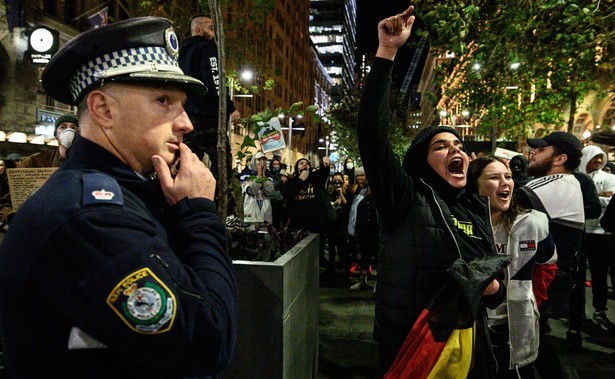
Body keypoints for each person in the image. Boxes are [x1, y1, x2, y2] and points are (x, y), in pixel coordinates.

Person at [0, 17, 237, 377]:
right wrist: (199, 213)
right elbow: (207, 340)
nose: (186, 123)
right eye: (163, 100)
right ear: (103, 110)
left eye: (182, 104)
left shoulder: (130, 193)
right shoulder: (87, 215)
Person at [358, 6, 508, 377]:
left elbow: (492, 284)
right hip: (412, 346)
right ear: (423, 162)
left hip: (466, 347)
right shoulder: (407, 199)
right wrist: (387, 52)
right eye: (441, 146)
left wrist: (493, 289)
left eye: (459, 146)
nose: (455, 150)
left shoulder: (476, 207)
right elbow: (372, 138)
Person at [470, 155, 557, 378]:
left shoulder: (533, 222)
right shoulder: (463, 225)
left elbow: (548, 264)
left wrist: (531, 299)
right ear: (475, 184)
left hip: (517, 328)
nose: (505, 182)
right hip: (472, 329)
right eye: (494, 177)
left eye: (507, 177)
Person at [515, 131, 584, 375]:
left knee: (531, 342)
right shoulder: (570, 182)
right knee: (537, 340)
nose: (532, 152)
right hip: (552, 279)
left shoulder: (552, 184)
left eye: (541, 149)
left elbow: (503, 199)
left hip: (540, 281)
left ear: (560, 158)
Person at [179, 15, 240, 180]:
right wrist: (230, 107)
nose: (215, 33)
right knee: (223, 167)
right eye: (211, 28)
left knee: (186, 167)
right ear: (198, 30)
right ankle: (217, 201)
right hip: (207, 119)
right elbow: (215, 82)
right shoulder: (206, 49)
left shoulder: (181, 53)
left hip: (187, 118)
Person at [579, 145, 615, 331]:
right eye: (595, 158)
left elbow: (611, 200)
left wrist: (593, 198)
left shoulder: (609, 178)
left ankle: (600, 311)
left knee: (602, 275)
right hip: (585, 234)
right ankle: (586, 312)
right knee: (587, 276)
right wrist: (599, 196)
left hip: (606, 235)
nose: (599, 162)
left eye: (601, 158)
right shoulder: (577, 178)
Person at [347, 167, 379, 291]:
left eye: (363, 175)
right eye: (358, 176)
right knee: (364, 256)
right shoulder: (355, 190)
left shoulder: (374, 189)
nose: (360, 178)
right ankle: (363, 281)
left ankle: (378, 283)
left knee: (376, 257)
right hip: (361, 229)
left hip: (374, 229)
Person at [241, 151, 280, 226]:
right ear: (253, 161)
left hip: (265, 216)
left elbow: (270, 192)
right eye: (259, 160)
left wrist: (263, 175)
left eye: (263, 160)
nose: (261, 162)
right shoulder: (246, 175)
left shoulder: (269, 176)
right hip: (251, 215)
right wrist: (259, 175)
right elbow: (251, 191)